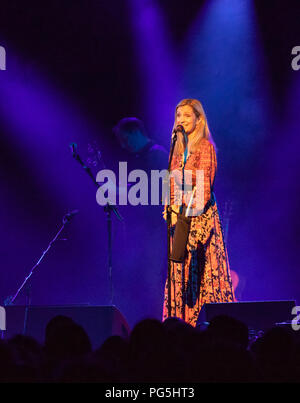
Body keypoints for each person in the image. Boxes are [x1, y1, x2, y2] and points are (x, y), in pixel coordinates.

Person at [162, 99, 235, 327]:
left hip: (200, 219)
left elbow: (204, 187)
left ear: (198, 119)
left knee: (202, 272)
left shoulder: (206, 147)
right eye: (178, 116)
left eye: (186, 115)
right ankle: (178, 324)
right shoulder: (177, 148)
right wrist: (170, 209)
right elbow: (171, 183)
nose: (181, 120)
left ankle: (208, 326)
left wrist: (185, 210)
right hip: (179, 220)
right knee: (179, 271)